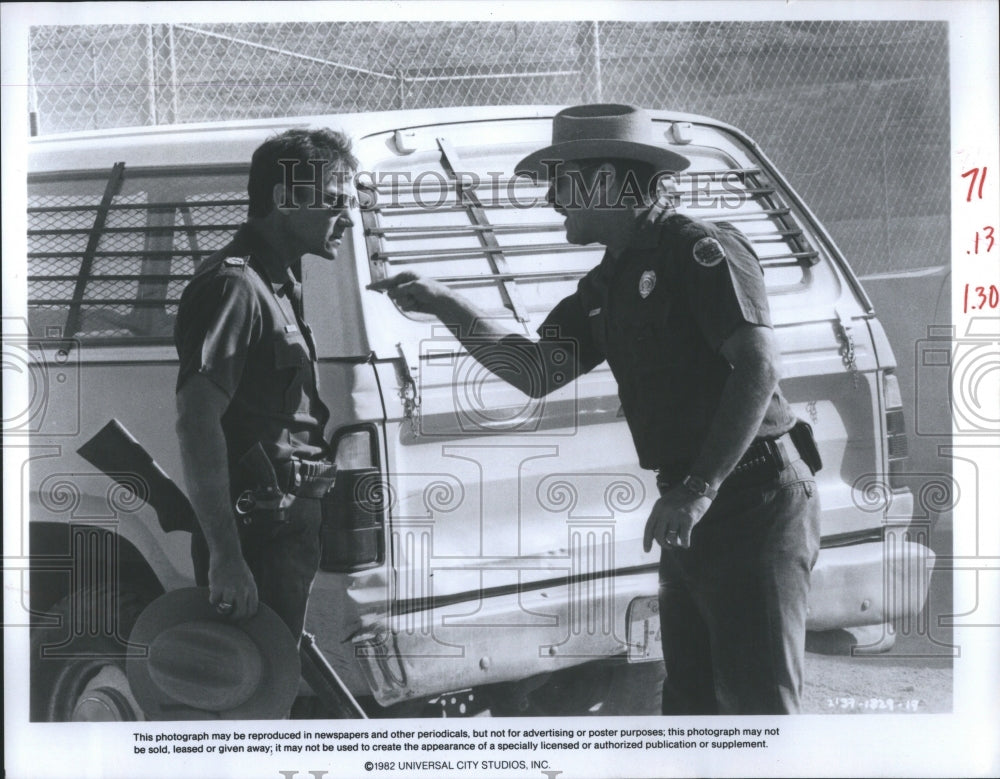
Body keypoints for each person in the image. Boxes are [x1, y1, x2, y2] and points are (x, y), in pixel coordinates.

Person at [368, 104, 821, 714]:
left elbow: (759, 367)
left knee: (761, 708)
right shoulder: (608, 282)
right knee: (693, 709)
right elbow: (534, 372)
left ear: (605, 180)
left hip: (752, 500)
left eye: (561, 180)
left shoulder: (700, 250)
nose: (552, 198)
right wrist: (446, 304)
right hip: (695, 505)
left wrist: (696, 489)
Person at [174, 128, 356, 638]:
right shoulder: (235, 285)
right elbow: (195, 422)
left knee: (278, 684)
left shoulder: (279, 282)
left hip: (283, 532)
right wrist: (227, 559)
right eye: (334, 202)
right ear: (285, 199)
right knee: (253, 692)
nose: (348, 217)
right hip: (254, 540)